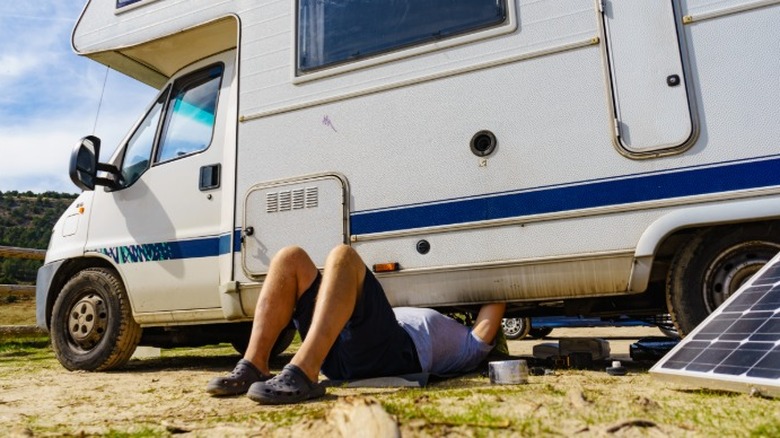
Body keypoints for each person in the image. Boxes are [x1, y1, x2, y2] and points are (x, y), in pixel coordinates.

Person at [206, 244, 506, 404]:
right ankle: (254, 364)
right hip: (343, 349)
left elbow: (495, 301)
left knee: (344, 256)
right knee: (291, 257)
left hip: (394, 355)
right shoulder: (424, 317)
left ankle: (303, 373)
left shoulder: (469, 345)